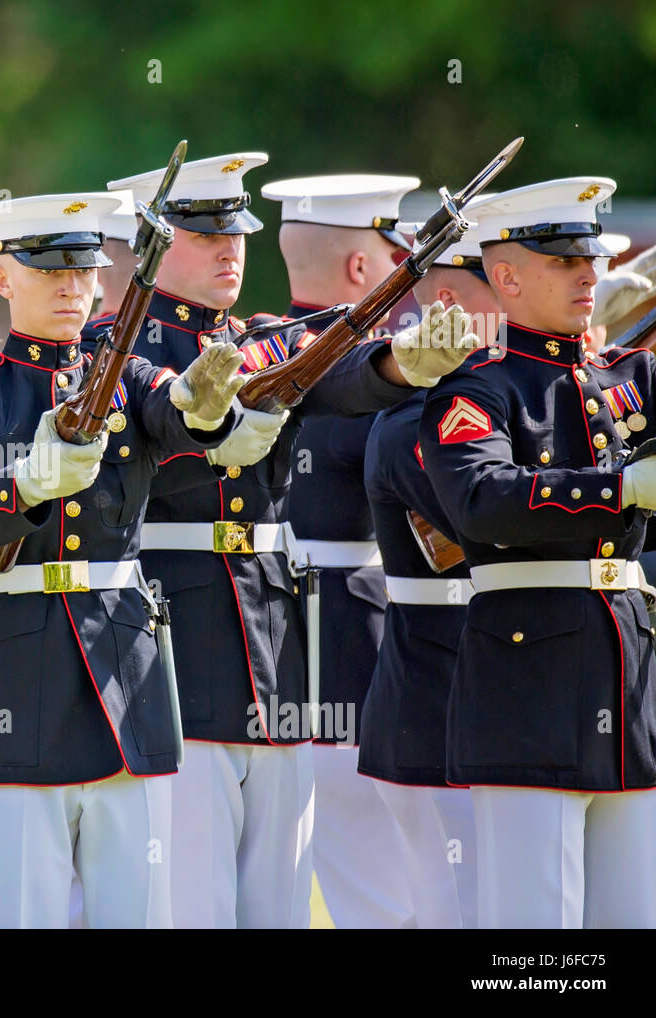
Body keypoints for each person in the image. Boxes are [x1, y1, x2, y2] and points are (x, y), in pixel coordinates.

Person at [87, 156, 470, 928]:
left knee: (279, 903)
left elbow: (338, 373)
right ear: (153, 243)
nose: (230, 249)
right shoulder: (108, 355)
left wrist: (401, 363)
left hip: (274, 642)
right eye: (205, 234)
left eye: (237, 233)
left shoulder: (258, 340)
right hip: (172, 640)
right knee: (193, 896)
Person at [0, 191, 259, 928]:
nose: (72, 287)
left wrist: (204, 404)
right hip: (19, 678)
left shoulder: (129, 377)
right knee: (24, 908)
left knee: (135, 910)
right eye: (49, 272)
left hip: (125, 669)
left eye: (85, 271)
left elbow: (182, 415)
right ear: (4, 277)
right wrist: (24, 486)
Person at [421, 176, 656, 928]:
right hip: (530, 689)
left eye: (588, 256)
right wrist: (618, 490)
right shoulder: (477, 391)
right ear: (508, 275)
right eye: (563, 260)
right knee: (536, 939)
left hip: (633, 680)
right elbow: (481, 501)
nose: (589, 272)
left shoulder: (627, 377)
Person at [260, 171, 424, 928]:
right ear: (363, 270)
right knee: (388, 891)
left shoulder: (248, 352)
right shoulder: (382, 371)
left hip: (260, 642)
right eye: (401, 259)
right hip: (356, 644)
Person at [356, 210, 503, 929]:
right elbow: (496, 533)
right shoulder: (421, 415)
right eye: (499, 278)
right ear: (448, 301)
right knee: (460, 915)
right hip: (435, 709)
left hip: (478, 705)